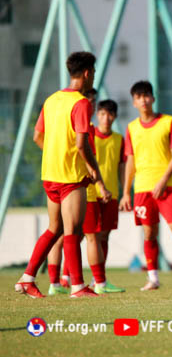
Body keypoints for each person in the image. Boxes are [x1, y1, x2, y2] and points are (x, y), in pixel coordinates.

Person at [15, 52, 109, 298]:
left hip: (50, 175)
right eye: (94, 73)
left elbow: (37, 136)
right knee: (72, 230)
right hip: (70, 177)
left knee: (54, 228)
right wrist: (95, 170)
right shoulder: (81, 103)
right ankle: (77, 286)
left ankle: (27, 278)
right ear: (88, 73)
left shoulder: (51, 100)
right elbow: (81, 144)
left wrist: (56, 153)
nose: (93, 77)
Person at [120, 80, 172, 291]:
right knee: (149, 234)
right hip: (143, 189)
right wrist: (126, 192)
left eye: (146, 96)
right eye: (138, 97)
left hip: (168, 186)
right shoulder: (132, 128)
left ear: (153, 98)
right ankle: (152, 278)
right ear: (134, 102)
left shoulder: (168, 122)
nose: (143, 100)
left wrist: (163, 180)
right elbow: (131, 161)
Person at [92, 98, 127, 293]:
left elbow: (122, 167)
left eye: (110, 114)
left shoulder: (118, 139)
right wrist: (99, 187)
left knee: (104, 235)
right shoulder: (90, 135)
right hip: (91, 194)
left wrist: (124, 193)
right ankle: (64, 278)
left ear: (115, 117)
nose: (106, 118)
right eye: (103, 114)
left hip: (111, 195)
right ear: (98, 115)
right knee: (83, 236)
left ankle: (99, 280)